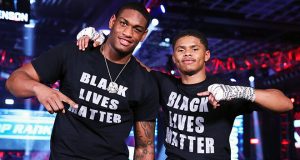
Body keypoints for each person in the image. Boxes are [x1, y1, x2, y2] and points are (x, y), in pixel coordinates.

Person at [77, 28, 293, 159]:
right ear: (174, 58)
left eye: (194, 49)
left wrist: (235, 91)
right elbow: (133, 64)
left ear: (207, 55)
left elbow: (285, 103)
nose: (187, 53)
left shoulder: (225, 89)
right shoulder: (165, 83)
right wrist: (104, 40)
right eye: (181, 50)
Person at [6, 2, 159, 160]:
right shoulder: (74, 53)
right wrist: (38, 88)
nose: (128, 32)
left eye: (137, 29)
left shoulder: (145, 82)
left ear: (144, 35)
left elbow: (145, 147)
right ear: (112, 22)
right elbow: (13, 81)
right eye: (123, 23)